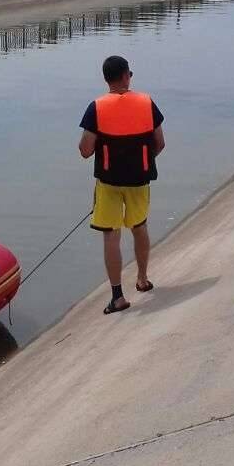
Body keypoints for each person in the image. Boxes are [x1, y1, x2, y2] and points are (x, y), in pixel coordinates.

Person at [79, 55, 165, 315]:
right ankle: (142, 279)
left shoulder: (96, 108)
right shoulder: (147, 103)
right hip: (139, 180)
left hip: (108, 182)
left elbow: (85, 150)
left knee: (111, 235)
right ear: (127, 75)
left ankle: (117, 296)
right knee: (139, 228)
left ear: (106, 79)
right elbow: (159, 143)